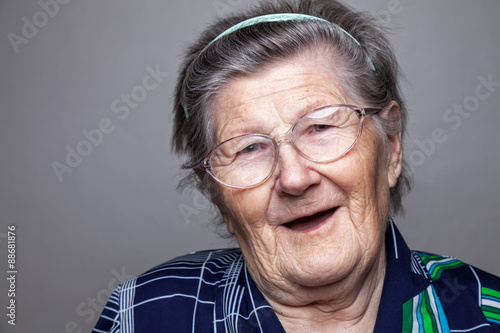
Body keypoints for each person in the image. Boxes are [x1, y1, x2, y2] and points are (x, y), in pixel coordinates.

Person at [93, 0, 500, 331]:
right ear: (214, 193)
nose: (294, 177)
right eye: (249, 148)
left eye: (320, 126)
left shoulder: (488, 314)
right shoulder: (144, 315)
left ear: (391, 148)